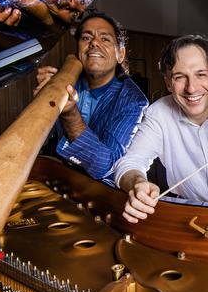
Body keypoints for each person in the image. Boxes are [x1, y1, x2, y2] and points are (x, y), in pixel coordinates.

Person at [113, 35, 208, 223]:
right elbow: (130, 163)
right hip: (188, 216)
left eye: (201, 74)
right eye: (180, 77)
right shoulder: (158, 114)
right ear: (168, 82)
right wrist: (138, 183)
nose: (191, 88)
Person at [35, 11, 148, 183]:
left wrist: (70, 115)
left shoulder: (133, 101)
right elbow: (39, 142)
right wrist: (42, 103)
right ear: (79, 50)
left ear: (121, 54)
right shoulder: (66, 85)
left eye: (105, 39)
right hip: (62, 183)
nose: (94, 42)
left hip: (103, 196)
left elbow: (105, 165)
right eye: (86, 38)